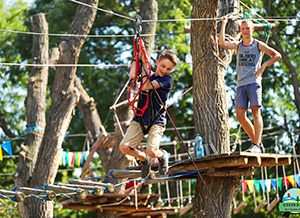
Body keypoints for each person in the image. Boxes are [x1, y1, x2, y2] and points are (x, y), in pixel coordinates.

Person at [219, 16, 281, 153]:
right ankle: (257, 143)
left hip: (253, 82)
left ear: (253, 29)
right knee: (240, 116)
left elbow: (277, 55)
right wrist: (223, 24)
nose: (246, 31)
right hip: (240, 84)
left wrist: (263, 66)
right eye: (243, 29)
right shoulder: (238, 45)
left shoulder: (258, 44)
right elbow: (222, 43)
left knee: (255, 111)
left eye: (248, 28)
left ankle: (257, 145)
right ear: (240, 31)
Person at [119, 49, 177, 178]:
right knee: (124, 147)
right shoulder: (148, 74)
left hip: (156, 120)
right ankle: (143, 159)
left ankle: (162, 154)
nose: (164, 70)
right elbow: (132, 75)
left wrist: (145, 64)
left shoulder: (167, 79)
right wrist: (137, 58)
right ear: (157, 63)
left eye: (168, 68)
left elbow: (146, 86)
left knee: (152, 151)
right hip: (140, 118)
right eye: (163, 66)